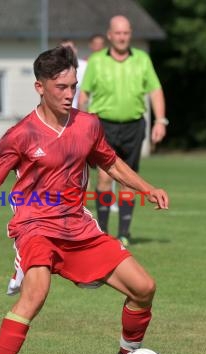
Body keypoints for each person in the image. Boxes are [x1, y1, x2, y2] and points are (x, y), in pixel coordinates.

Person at [0, 45, 172, 354]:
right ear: (40, 87)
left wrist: (146, 188)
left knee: (144, 288)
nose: (69, 94)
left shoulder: (87, 124)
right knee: (36, 293)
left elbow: (110, 163)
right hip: (35, 228)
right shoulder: (22, 134)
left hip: (78, 227)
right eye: (60, 87)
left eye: (73, 86)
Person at [79, 15, 167, 246]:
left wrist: (161, 121)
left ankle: (124, 233)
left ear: (130, 35)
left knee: (129, 180)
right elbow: (84, 94)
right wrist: (80, 123)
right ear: (110, 35)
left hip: (133, 126)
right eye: (117, 33)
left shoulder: (142, 60)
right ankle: (104, 233)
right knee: (105, 178)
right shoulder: (97, 61)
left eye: (126, 33)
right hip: (103, 126)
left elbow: (155, 91)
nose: (122, 37)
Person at [59, 39, 87, 108]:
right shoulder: (53, 69)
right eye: (63, 50)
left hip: (81, 112)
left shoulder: (86, 67)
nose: (66, 52)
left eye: (69, 49)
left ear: (75, 49)